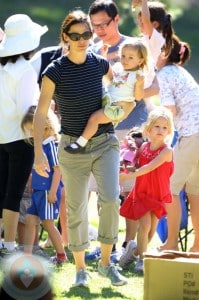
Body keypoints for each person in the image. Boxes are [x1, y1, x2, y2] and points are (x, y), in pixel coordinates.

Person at [33, 10, 127, 287]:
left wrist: (117, 108)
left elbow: (120, 90)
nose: (83, 40)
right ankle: (80, 269)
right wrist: (38, 151)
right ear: (65, 37)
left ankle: (107, 264)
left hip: (105, 142)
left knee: (110, 199)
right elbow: (40, 112)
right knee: (75, 210)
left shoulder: (100, 64)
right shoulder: (54, 70)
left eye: (87, 34)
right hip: (71, 147)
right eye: (76, 36)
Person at [0, 14, 47, 254]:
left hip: (2, 136)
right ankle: (8, 244)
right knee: (14, 193)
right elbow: (27, 111)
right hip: (21, 137)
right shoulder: (25, 71)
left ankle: (3, 242)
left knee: (2, 190)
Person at [65, 38, 148, 153]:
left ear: (140, 60)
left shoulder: (138, 75)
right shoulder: (119, 67)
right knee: (87, 113)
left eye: (130, 57)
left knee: (94, 119)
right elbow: (107, 74)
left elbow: (138, 97)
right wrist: (103, 56)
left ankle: (80, 144)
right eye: (123, 55)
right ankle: (86, 140)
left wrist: (139, 84)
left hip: (117, 108)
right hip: (106, 101)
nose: (125, 60)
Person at [156, 35, 199, 252]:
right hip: (196, 135)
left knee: (168, 188)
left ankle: (171, 242)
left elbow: (169, 111)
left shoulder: (164, 74)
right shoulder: (179, 71)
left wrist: (159, 140)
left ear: (163, 53)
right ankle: (197, 246)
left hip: (192, 134)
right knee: (195, 191)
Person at [119, 107, 174, 272]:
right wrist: (127, 167)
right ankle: (142, 260)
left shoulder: (167, 151)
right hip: (142, 192)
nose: (160, 130)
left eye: (165, 127)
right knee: (144, 225)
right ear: (149, 128)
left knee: (150, 231)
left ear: (169, 131)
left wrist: (127, 177)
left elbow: (149, 168)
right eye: (157, 126)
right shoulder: (143, 147)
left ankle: (134, 252)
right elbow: (138, 166)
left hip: (157, 194)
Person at [21, 105, 68, 265]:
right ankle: (27, 254)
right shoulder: (38, 147)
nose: (32, 135)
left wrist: (53, 191)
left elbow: (58, 170)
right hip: (37, 191)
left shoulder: (52, 145)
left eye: (34, 130)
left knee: (48, 223)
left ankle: (61, 255)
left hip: (48, 192)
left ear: (45, 126)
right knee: (29, 220)